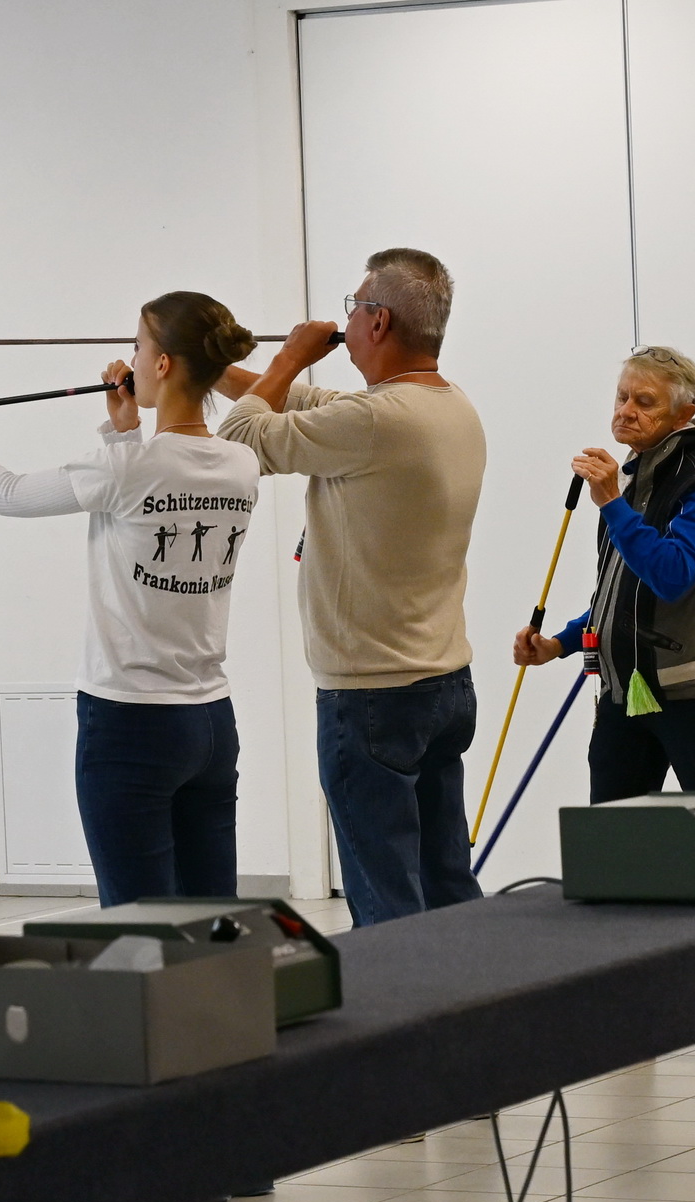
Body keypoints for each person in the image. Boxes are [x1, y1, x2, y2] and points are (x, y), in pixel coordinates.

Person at [0, 292, 261, 905]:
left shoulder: (128, 469)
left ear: (163, 364)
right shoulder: (241, 463)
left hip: (132, 720)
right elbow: (151, 499)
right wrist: (122, 432)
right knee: (210, 916)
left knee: (138, 919)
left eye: (137, 346)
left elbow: (9, 494)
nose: (131, 358)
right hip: (209, 720)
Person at [213, 247, 485, 927]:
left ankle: (400, 999)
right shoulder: (445, 406)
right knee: (446, 888)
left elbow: (241, 438)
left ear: (379, 320)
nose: (349, 319)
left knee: (387, 905)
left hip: (373, 695)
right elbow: (299, 404)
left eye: (355, 306)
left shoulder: (373, 423)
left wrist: (291, 355)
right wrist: (209, 364)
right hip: (441, 682)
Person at [514, 346, 695, 803]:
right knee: (612, 834)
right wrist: (558, 644)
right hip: (628, 693)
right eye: (622, 397)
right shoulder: (637, 474)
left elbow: (673, 576)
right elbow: (623, 593)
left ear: (683, 415)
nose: (625, 411)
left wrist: (611, 504)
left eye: (644, 402)